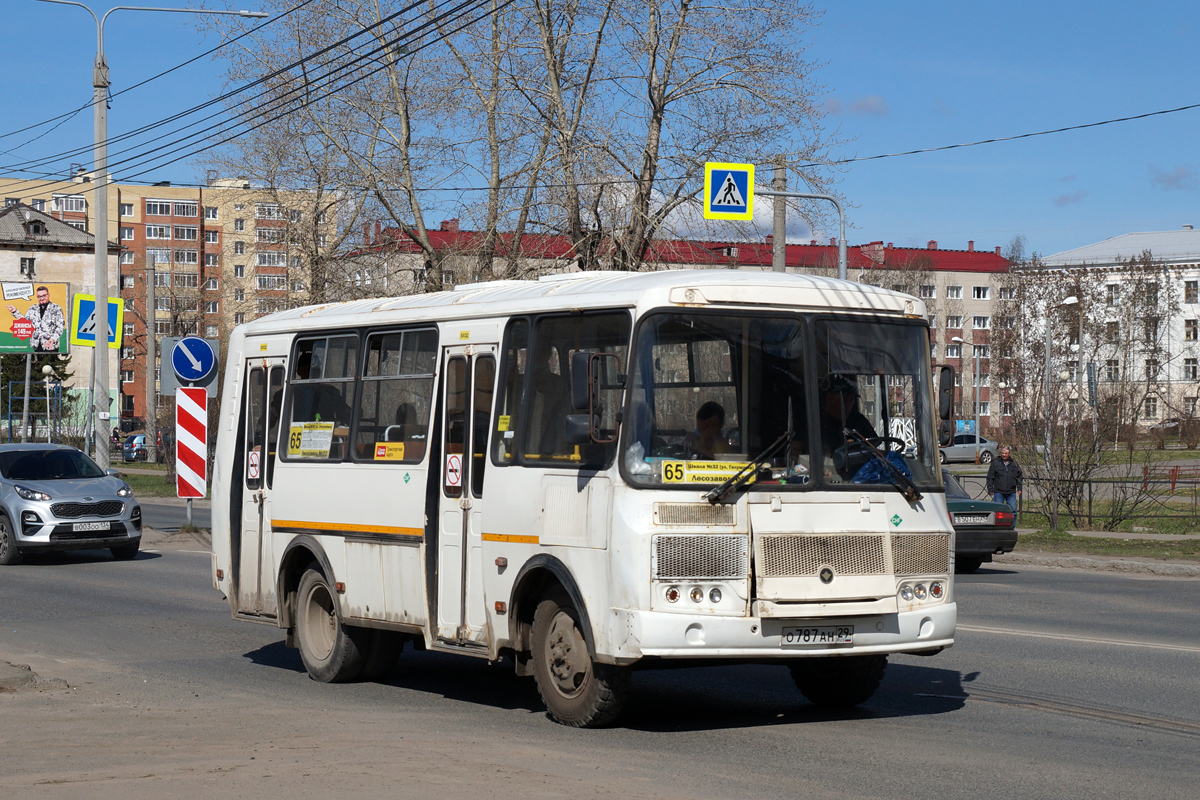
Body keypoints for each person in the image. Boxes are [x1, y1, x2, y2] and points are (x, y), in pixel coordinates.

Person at [817, 374, 877, 454]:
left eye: (851, 400)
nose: (848, 405)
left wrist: (858, 447)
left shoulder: (858, 420)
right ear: (829, 399)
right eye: (843, 400)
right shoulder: (817, 423)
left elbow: (874, 442)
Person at [8, 286, 66, 352]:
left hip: (50, 346)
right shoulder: (33, 308)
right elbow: (25, 323)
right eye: (39, 296)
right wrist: (15, 311)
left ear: (48, 295)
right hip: (36, 345)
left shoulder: (56, 308)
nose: (41, 298)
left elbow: (60, 326)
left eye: (44, 295)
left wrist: (53, 338)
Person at [986, 445, 1023, 513]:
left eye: (1006, 453)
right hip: (999, 492)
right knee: (998, 510)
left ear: (1009, 454)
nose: (1004, 455)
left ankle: (1012, 524)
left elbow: (1019, 476)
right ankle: (998, 523)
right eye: (1003, 453)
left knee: (1013, 510)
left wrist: (1019, 488)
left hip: (1011, 492)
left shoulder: (1014, 463)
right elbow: (990, 477)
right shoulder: (996, 463)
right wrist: (990, 489)